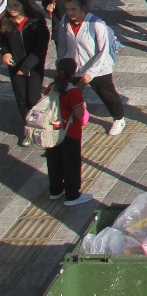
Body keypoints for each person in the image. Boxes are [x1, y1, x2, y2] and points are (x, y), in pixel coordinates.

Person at [57, 0, 126, 135]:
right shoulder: (65, 21)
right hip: (74, 66)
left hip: (98, 67)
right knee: (71, 95)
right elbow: (62, 45)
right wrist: (61, 63)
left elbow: (103, 51)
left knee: (107, 94)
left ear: (83, 8)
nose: (70, 13)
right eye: (68, 9)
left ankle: (119, 118)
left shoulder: (96, 24)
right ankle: (74, 119)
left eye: (73, 9)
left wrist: (91, 73)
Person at [2, 0, 50, 139]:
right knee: (22, 100)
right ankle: (28, 128)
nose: (12, 9)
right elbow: (2, 41)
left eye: (15, 5)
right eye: (9, 6)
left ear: (24, 5)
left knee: (33, 99)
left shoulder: (36, 21)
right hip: (15, 68)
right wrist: (4, 53)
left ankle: (41, 125)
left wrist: (26, 66)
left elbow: (41, 47)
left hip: (33, 67)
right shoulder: (5, 21)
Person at [45, 66, 92, 205]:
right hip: (70, 133)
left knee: (54, 162)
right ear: (72, 75)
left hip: (53, 130)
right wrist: (83, 106)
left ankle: (56, 190)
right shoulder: (73, 91)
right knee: (71, 164)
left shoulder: (51, 87)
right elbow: (78, 115)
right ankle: (72, 196)